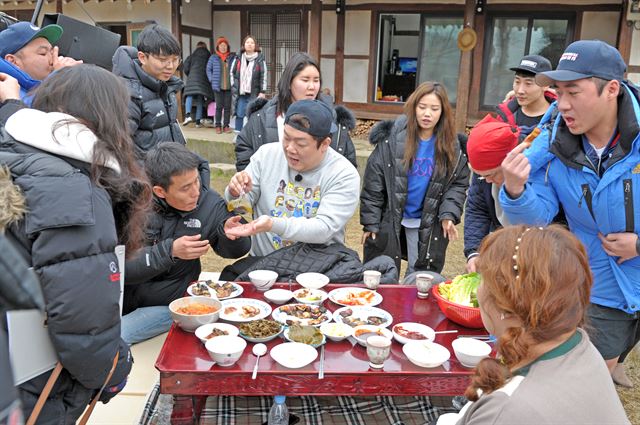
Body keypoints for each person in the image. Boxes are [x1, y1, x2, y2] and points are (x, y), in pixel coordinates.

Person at [0, 65, 151, 423]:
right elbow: (84, 324)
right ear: (108, 119)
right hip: (30, 387)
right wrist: (116, 371)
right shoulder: (70, 188)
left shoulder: (18, 157)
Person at [499, 40, 640, 388]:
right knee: (587, 383)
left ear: (611, 89)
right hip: (600, 283)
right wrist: (516, 189)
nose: (562, 104)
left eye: (573, 92)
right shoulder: (553, 142)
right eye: (558, 92)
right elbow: (539, 217)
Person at [437, 225, 629, 425]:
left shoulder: (506, 409)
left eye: (483, 278)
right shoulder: (579, 343)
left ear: (505, 304)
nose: (479, 287)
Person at [121, 142, 251, 344]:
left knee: (117, 336)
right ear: (159, 191)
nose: (195, 192)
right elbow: (119, 269)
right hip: (122, 300)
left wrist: (231, 235)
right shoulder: (132, 203)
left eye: (196, 182)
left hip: (171, 304)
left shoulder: (209, 203)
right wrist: (170, 251)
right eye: (185, 188)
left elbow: (238, 250)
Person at [224, 98, 360, 257]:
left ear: (324, 144)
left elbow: (323, 228)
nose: (290, 148)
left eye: (300, 144)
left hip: (318, 270)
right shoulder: (265, 155)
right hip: (263, 264)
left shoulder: (343, 174)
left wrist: (272, 224)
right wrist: (235, 192)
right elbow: (240, 207)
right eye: (286, 138)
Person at [360, 81, 469, 276]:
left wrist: (448, 214)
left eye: (434, 109)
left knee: (418, 273)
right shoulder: (391, 138)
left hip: (423, 219)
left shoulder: (452, 146)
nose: (427, 114)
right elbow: (374, 183)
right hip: (390, 216)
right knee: (383, 272)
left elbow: (457, 185)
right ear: (413, 107)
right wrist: (371, 221)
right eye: (422, 107)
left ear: (443, 112)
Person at [235, 52, 357, 171]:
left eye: (316, 80)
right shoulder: (262, 117)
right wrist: (254, 181)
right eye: (305, 80)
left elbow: (348, 163)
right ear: (289, 83)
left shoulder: (334, 119)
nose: (312, 86)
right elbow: (244, 148)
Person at [112, 24, 185, 154]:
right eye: (163, 60)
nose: (170, 66)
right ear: (142, 57)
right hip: (144, 172)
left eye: (175, 60)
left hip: (168, 168)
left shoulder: (166, 86)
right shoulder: (129, 94)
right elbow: (118, 147)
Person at [0, 21, 81, 104]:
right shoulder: (3, 87)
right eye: (43, 53)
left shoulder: (36, 87)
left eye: (52, 52)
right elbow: (26, 112)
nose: (54, 59)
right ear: (13, 61)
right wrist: (58, 78)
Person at [495, 54, 556, 139]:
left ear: (545, 85)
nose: (520, 91)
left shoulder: (559, 117)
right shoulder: (506, 114)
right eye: (517, 82)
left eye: (528, 84)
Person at [231, 35, 267, 132]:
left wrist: (262, 91)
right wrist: (233, 85)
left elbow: (263, 75)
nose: (249, 44)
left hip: (254, 92)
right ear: (244, 45)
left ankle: (250, 135)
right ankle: (237, 134)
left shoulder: (259, 59)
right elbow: (232, 72)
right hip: (241, 92)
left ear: (255, 45)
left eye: (252, 43)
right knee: (239, 113)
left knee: (252, 114)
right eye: (247, 42)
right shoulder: (238, 57)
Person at [206, 36, 236, 134]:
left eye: (225, 45)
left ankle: (226, 126)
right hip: (217, 87)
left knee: (227, 107)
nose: (223, 47)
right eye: (221, 45)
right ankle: (218, 125)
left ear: (228, 47)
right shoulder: (213, 57)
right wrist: (211, 79)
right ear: (218, 47)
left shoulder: (231, 58)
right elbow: (208, 69)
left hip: (228, 86)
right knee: (219, 107)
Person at [182, 41, 214, 128]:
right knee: (200, 99)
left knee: (189, 95)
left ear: (197, 47)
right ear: (205, 47)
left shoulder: (192, 56)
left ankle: (188, 116)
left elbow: (185, 67)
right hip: (203, 80)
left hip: (192, 78)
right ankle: (197, 122)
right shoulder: (209, 56)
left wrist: (190, 74)